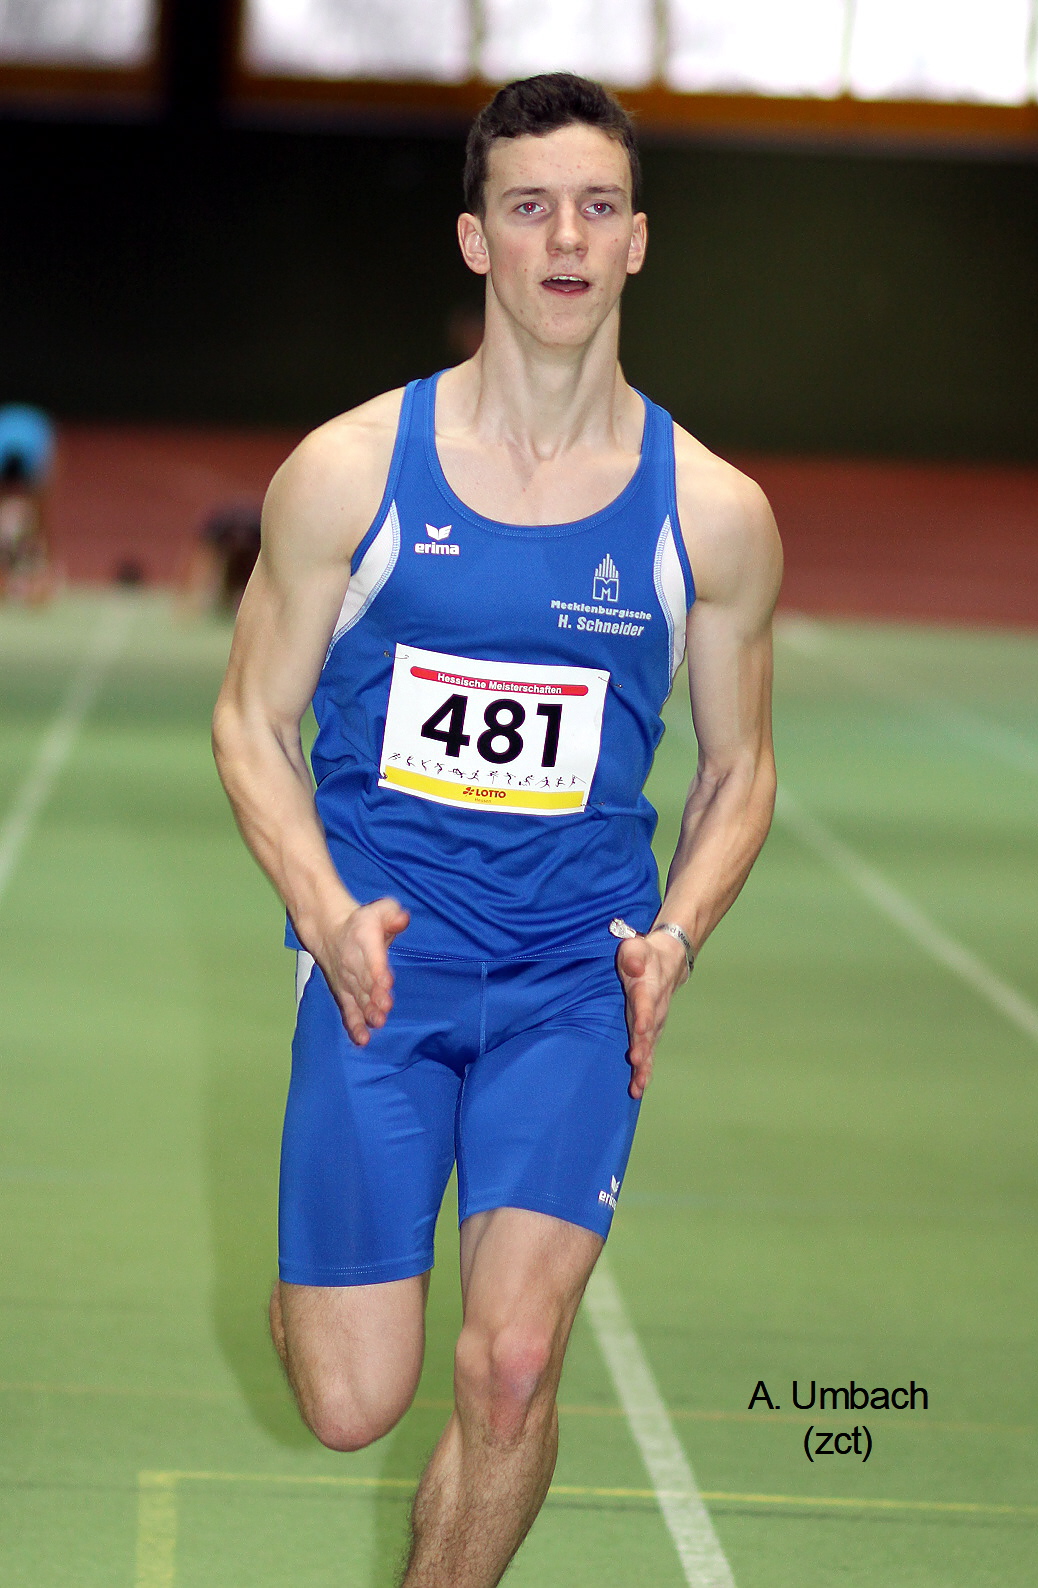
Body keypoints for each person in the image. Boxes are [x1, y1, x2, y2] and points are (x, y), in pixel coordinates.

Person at [213, 72, 780, 1588]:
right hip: (379, 965)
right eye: (529, 208)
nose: (565, 239)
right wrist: (321, 909)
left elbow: (740, 771)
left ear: (638, 239)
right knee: (352, 1401)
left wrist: (674, 936)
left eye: (597, 207)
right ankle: (323, 1283)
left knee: (514, 1362)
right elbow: (251, 721)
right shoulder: (348, 474)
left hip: (573, 978)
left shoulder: (712, 514)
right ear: (476, 240)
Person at [0, 404, 56, 603]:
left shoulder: (37, 458)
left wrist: (45, 558)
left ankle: (40, 573)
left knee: (39, 511)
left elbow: (41, 506)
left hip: (37, 430)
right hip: (7, 426)